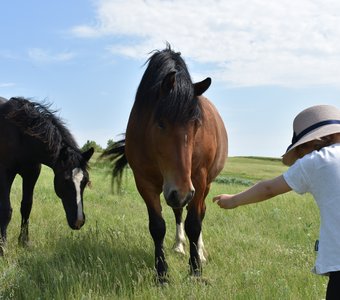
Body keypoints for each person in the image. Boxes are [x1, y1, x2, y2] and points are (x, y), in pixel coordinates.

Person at [213, 104, 340, 299]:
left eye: (300, 152)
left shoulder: (316, 160)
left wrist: (233, 200)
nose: (300, 157)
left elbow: (268, 189)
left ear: (314, 143)